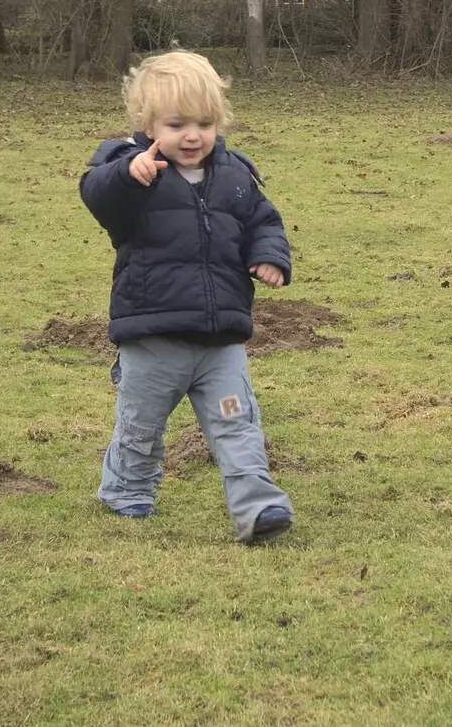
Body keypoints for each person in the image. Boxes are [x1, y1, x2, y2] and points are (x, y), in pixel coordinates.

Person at [79, 50, 295, 543]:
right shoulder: (127, 170)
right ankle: (127, 490)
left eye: (203, 123)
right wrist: (128, 174)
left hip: (220, 341)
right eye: (176, 125)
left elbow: (264, 221)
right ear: (146, 123)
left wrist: (270, 257)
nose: (192, 136)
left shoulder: (236, 175)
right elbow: (97, 195)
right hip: (153, 337)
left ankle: (258, 508)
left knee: (237, 425)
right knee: (142, 425)